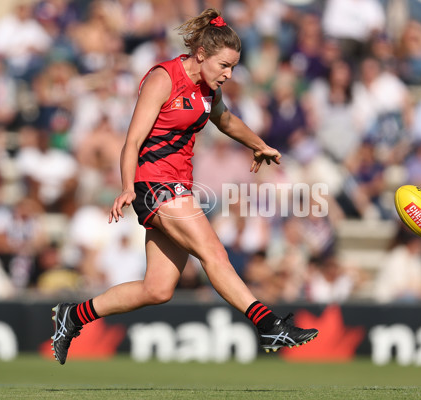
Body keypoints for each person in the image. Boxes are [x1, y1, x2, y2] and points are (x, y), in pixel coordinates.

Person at [51, 8, 318, 365]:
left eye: (234, 67)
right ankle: (268, 324)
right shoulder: (164, 78)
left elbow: (226, 120)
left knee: (157, 289)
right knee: (214, 253)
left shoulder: (208, 88)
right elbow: (132, 140)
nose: (228, 74)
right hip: (155, 186)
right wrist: (127, 186)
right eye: (224, 65)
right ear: (201, 54)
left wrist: (258, 144)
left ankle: (73, 316)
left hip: (177, 187)